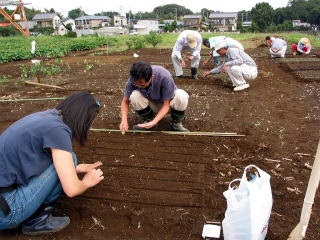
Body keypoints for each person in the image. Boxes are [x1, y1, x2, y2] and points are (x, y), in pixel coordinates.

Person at [0, 91, 104, 235]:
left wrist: (74, 169)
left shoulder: (48, 117)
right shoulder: (58, 131)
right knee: (68, 162)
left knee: (70, 160)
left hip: (4, 194)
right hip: (6, 212)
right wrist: (87, 181)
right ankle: (37, 221)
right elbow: (72, 190)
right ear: (83, 118)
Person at [119, 61, 190, 133]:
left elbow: (166, 105)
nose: (138, 85)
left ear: (151, 77)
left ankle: (176, 123)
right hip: (151, 104)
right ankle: (148, 120)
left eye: (142, 84)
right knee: (134, 95)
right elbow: (125, 101)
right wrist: (124, 120)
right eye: (136, 84)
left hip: (169, 104)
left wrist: (154, 122)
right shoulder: (133, 80)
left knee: (181, 95)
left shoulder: (164, 77)